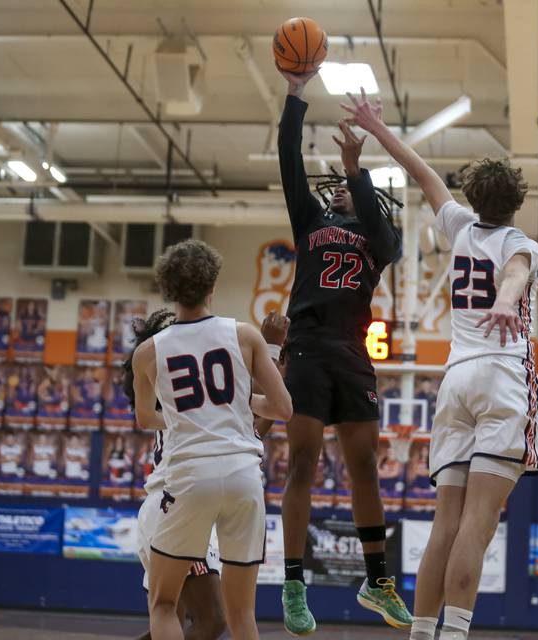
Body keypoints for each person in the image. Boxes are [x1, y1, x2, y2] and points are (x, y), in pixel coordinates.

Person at [343, 90, 538, 640]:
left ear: (474, 198)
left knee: (444, 526)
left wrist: (376, 127)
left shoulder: (458, 227)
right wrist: (505, 302)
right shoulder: (520, 241)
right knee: (479, 527)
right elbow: (518, 271)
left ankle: (421, 633)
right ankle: (453, 637)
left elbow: (420, 168)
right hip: (501, 374)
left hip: (454, 381)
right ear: (516, 202)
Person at [275, 66, 411, 634]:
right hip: (305, 345)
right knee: (303, 462)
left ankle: (377, 581)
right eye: (338, 186)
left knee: (363, 469)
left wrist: (358, 170)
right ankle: (292, 585)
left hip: (352, 352)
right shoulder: (310, 220)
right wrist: (295, 94)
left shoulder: (383, 240)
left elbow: (385, 242)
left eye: (351, 189)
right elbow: (288, 160)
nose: (339, 191)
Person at [131, 239, 291, 640]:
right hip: (243, 477)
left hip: (189, 479)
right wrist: (236, 401)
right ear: (212, 286)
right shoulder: (244, 334)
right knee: (242, 617)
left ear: (168, 290)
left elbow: (145, 417)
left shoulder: (148, 353)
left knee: (164, 604)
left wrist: (189, 413)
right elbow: (283, 409)